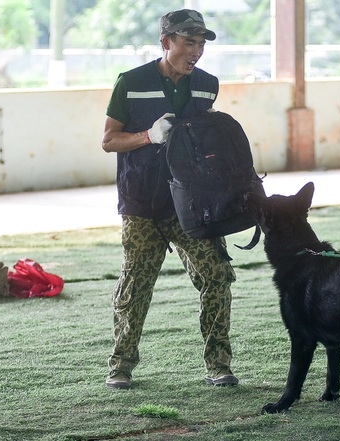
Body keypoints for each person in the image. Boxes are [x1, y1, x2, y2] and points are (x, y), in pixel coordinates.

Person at [101, 9, 239, 389]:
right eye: (188, 42)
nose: (195, 51)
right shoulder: (130, 82)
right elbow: (109, 140)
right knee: (137, 283)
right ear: (166, 42)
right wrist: (148, 136)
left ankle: (218, 365)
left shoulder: (207, 84)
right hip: (142, 202)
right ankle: (121, 366)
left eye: (200, 44)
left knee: (217, 274)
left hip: (192, 205)